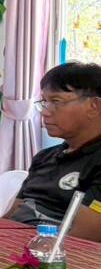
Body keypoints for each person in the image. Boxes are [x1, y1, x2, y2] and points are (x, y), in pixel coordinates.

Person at [8, 62, 101, 241]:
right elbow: (11, 216)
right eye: (44, 102)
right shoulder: (43, 158)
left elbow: (82, 240)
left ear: (94, 106)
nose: (45, 112)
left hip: (56, 254)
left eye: (56, 101)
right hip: (13, 246)